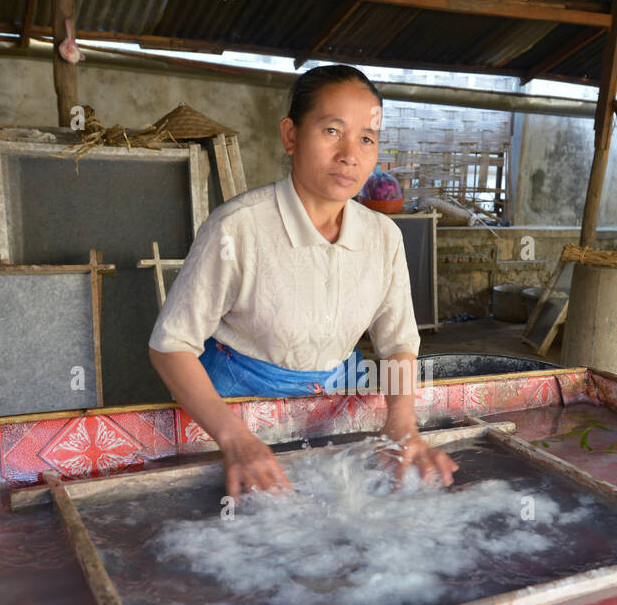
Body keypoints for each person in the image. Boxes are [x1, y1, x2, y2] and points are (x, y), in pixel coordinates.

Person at [148, 64, 457, 501]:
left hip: (338, 406)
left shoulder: (384, 237)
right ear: (290, 135)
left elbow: (397, 343)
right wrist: (235, 439)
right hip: (233, 408)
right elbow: (171, 345)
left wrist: (401, 425)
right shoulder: (238, 229)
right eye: (332, 131)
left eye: (366, 139)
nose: (350, 154)